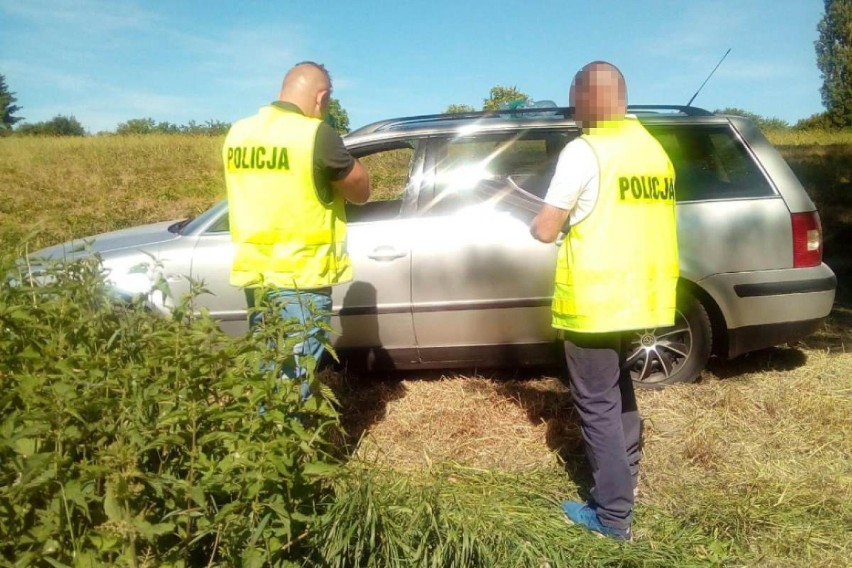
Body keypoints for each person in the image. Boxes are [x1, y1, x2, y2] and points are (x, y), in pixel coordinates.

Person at [530, 61, 679, 540]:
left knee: (595, 402)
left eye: (575, 97)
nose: (573, 109)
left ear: (591, 96)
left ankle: (613, 516)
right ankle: (626, 475)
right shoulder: (654, 151)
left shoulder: (585, 150)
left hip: (595, 298)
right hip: (642, 294)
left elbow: (546, 228)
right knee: (618, 388)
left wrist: (535, 217)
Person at [223, 61, 370, 391]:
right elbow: (360, 190)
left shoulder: (239, 133)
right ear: (322, 98)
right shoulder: (314, 134)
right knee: (293, 379)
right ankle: (286, 442)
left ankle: (265, 438)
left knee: (269, 369)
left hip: (257, 279)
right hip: (301, 280)